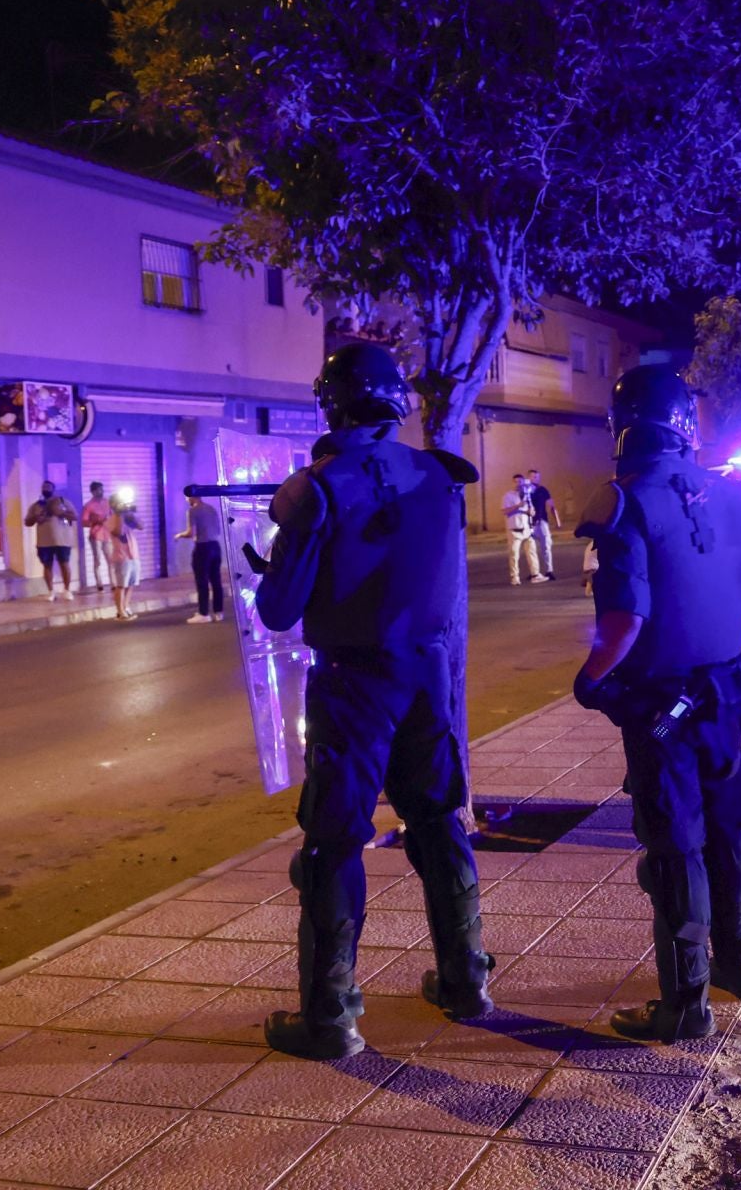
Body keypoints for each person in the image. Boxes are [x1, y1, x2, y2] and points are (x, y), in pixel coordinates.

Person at [250, 343, 489, 1059]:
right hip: (427, 675)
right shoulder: (441, 477)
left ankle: (330, 1017)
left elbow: (279, 611)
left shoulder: (315, 487)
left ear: (332, 402)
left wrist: (278, 564)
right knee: (437, 821)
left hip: (354, 683)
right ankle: (465, 981)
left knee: (333, 840)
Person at [574, 365, 741, 1044]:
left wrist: (590, 678)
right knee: (728, 828)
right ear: (688, 423)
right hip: (730, 694)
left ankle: (686, 1004)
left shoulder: (624, 501)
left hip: (665, 704)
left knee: (675, 846)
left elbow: (626, 616)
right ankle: (739, 965)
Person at [176, 489, 226, 623]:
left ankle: (204, 613)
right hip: (215, 546)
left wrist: (179, 535)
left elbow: (190, 533)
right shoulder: (211, 509)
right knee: (216, 580)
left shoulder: (193, 511)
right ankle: (218, 612)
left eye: (187, 497)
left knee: (202, 581)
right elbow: (218, 529)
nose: (186, 500)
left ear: (192, 497)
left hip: (202, 548)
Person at [23, 480, 77, 602]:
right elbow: (27, 522)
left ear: (53, 489)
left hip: (62, 540)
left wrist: (61, 513)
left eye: (48, 487)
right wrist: (36, 517)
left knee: (64, 564)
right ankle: (51, 591)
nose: (45, 489)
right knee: (47, 566)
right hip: (44, 542)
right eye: (43, 487)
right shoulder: (36, 505)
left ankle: (67, 590)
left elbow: (75, 517)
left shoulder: (62, 502)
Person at [501, 474, 543, 585]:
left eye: (521, 482)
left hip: (527, 529)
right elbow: (505, 511)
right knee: (514, 555)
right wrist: (518, 506)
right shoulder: (508, 496)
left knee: (532, 552)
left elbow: (532, 511)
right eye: (516, 482)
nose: (519, 484)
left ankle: (535, 574)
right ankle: (515, 577)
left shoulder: (526, 496)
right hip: (514, 529)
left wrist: (531, 512)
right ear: (513, 482)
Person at [105, 502, 143, 620]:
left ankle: (126, 607)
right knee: (121, 585)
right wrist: (119, 515)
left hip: (133, 555)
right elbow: (118, 532)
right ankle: (120, 611)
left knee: (131, 584)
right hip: (121, 557)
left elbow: (141, 526)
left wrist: (132, 513)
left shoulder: (128, 517)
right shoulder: (110, 520)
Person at [526, 469, 562, 580]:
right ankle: (534, 572)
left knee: (546, 546)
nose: (535, 479)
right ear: (529, 478)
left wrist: (557, 520)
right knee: (531, 549)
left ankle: (549, 570)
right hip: (528, 523)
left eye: (537, 477)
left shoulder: (543, 490)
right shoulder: (525, 491)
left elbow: (551, 505)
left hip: (542, 522)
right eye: (533, 477)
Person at [81, 481, 114, 592]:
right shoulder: (88, 506)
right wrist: (96, 521)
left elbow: (113, 515)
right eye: (99, 490)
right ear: (93, 492)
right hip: (96, 534)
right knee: (97, 560)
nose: (101, 492)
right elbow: (84, 522)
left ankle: (113, 583)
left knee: (110, 559)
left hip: (107, 534)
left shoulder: (107, 502)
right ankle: (99, 583)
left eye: (102, 489)